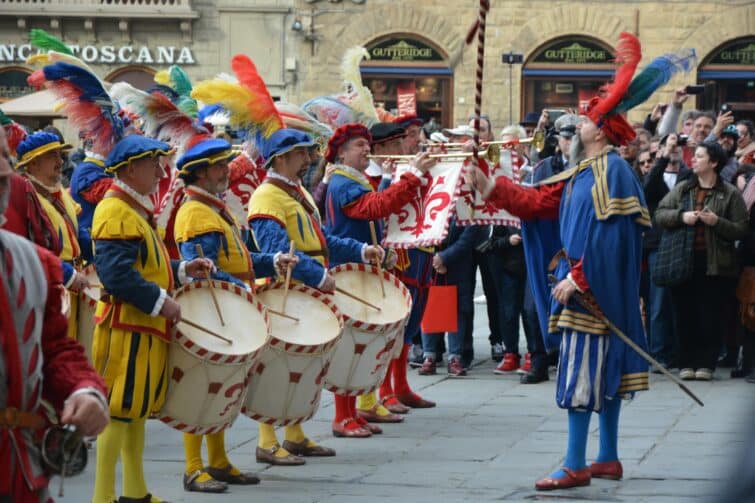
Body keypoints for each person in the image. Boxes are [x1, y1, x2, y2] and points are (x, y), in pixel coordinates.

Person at [467, 32, 658, 490]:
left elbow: (611, 239)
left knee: (579, 379)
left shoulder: (611, 170)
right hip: (591, 288)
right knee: (604, 374)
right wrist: (490, 186)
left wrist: (578, 277)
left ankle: (576, 463)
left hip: (591, 292)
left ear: (600, 130)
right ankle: (607, 457)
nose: (574, 127)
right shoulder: (585, 171)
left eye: (584, 121)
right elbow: (537, 202)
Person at [90, 134, 214, 503]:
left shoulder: (132, 209)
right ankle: (102, 497)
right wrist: (162, 303)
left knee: (136, 413)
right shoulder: (115, 211)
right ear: (131, 168)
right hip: (125, 328)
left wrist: (182, 268)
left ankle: (134, 491)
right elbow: (116, 276)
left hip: (140, 327)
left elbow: (148, 266)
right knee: (119, 411)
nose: (162, 171)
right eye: (153, 163)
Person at [248, 127, 385, 460]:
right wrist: (319, 275)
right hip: (285, 292)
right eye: (301, 154)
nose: (309, 159)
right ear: (281, 159)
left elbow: (321, 239)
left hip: (306, 290)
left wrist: (361, 249)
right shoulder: (267, 196)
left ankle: (294, 434)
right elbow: (276, 250)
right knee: (277, 370)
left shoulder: (298, 191)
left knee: (303, 371)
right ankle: (267, 441)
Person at [173, 136, 296, 492]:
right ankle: (194, 468)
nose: (226, 170)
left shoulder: (212, 208)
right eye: (218, 166)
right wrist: (241, 290)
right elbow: (206, 270)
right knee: (201, 390)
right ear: (200, 174)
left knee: (221, 388)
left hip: (227, 307)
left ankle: (219, 461)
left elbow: (234, 259)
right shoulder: (196, 212)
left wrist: (271, 260)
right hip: (215, 310)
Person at [0, 122, 109, 503]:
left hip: (20, 473)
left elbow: (56, 348)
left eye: (4, 161)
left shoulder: (32, 265)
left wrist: (85, 389)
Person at [323, 123, 432, 433]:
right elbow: (375, 208)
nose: (365, 149)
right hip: (350, 270)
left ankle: (354, 411)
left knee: (361, 343)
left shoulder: (349, 179)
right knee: (350, 346)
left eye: (366, 144)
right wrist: (412, 176)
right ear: (342, 153)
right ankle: (342, 416)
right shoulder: (343, 182)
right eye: (359, 145)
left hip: (359, 268)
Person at [655, 141, 748, 381]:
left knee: (710, 315)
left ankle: (706, 363)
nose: (693, 160)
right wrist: (681, 216)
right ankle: (686, 362)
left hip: (715, 264)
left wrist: (716, 222)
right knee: (683, 313)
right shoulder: (684, 189)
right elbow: (660, 214)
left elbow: (741, 229)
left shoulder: (729, 192)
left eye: (699, 156)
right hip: (682, 261)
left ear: (714, 162)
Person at [14, 132, 91, 341]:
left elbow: (74, 231)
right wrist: (67, 274)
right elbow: (32, 248)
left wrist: (95, 252)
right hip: (49, 286)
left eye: (60, 155)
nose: (60, 161)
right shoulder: (26, 197)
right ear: (33, 164)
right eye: (52, 156)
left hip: (73, 284)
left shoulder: (58, 191)